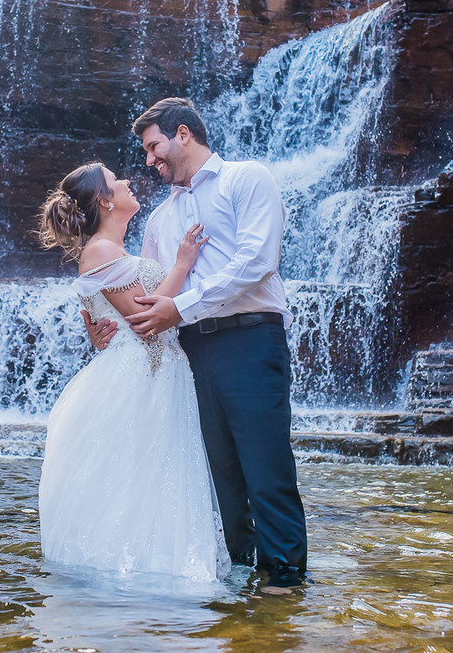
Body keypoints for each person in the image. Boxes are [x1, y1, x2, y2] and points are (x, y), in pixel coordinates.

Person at [84, 97, 308, 589]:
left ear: (182, 133)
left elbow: (257, 263)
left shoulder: (246, 179)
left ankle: (285, 587)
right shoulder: (162, 221)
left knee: (266, 472)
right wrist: (102, 325)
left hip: (250, 340)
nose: (149, 160)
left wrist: (180, 309)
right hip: (190, 356)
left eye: (153, 146)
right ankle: (242, 578)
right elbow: (146, 299)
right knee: (222, 479)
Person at [36, 162, 229, 581]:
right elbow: (145, 321)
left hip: (160, 371)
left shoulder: (117, 252)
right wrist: (182, 263)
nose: (126, 181)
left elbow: (109, 311)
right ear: (106, 200)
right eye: (115, 180)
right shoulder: (101, 250)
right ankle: (141, 578)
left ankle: (155, 576)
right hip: (141, 373)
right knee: (139, 472)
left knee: (156, 474)